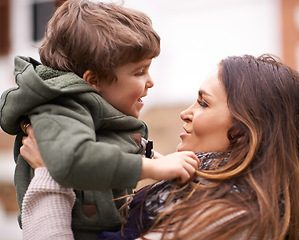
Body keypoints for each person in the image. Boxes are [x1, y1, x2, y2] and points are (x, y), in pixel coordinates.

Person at [20, 54, 299, 240]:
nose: (185, 113)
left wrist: (50, 176)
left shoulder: (228, 219)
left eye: (203, 102)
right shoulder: (206, 194)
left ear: (242, 131)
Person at [0, 1, 199, 239]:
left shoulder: (93, 107)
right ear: (93, 80)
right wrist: (154, 168)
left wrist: (164, 161)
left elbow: (113, 145)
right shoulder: (61, 106)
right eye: (139, 72)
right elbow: (75, 158)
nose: (150, 81)